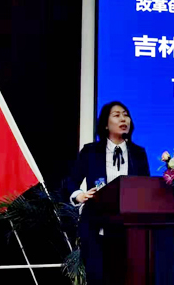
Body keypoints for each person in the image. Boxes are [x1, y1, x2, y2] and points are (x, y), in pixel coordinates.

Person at [64, 101, 150, 285]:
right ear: (105, 124)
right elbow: (70, 181)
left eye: (126, 115)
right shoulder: (91, 151)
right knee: (98, 278)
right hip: (96, 228)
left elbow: (145, 187)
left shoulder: (138, 154)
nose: (123, 119)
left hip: (128, 231)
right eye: (117, 115)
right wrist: (79, 195)